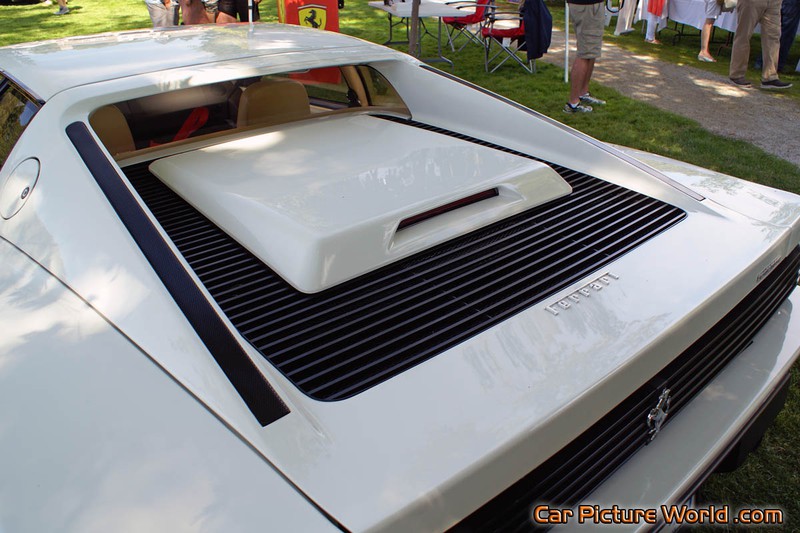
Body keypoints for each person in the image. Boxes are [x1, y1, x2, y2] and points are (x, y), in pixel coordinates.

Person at [729, 0, 793, 88]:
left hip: (774, 3)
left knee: (773, 37)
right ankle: (736, 74)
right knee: (743, 35)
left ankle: (770, 76)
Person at [564, 0, 607, 113]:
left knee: (591, 52)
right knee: (585, 53)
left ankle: (582, 93)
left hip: (590, 5)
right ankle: (573, 103)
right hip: (587, 5)